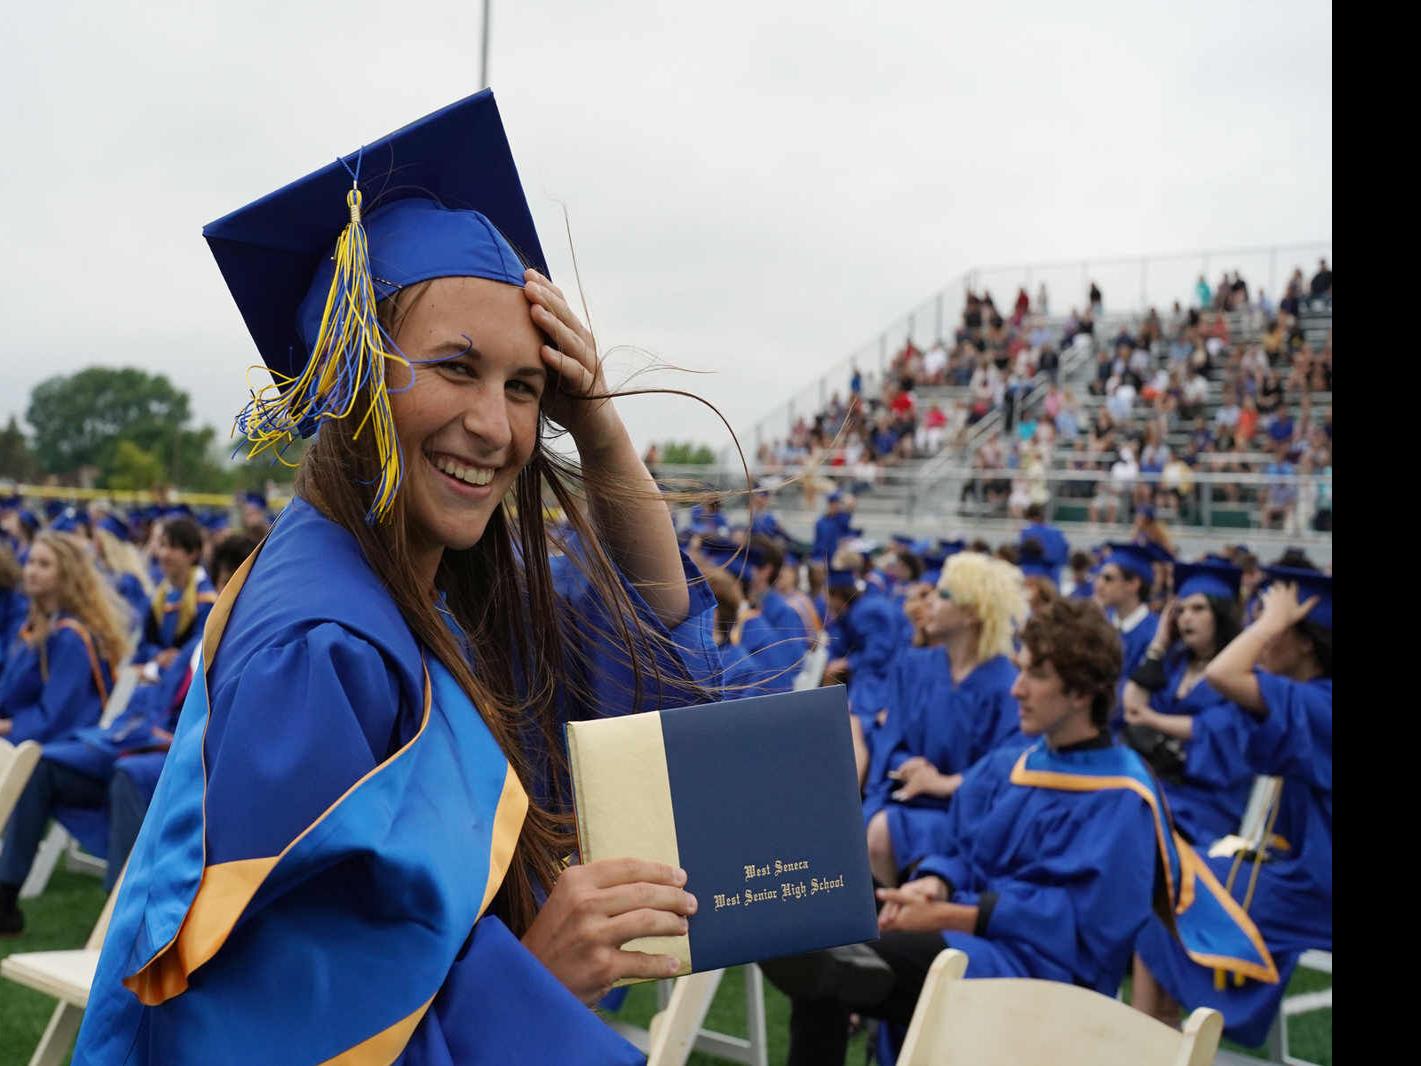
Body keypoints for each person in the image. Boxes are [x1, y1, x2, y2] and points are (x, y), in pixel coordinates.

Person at [75, 92, 721, 1065]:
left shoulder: (420, 598)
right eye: (454, 367)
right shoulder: (325, 648)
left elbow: (654, 663)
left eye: (522, 386)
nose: (496, 428)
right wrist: (532, 983)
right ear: (346, 374)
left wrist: (599, 427)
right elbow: (262, 1033)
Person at [762, 598, 1271, 1066]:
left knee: (838, 970)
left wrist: (955, 914)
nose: (1016, 688)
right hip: (970, 935)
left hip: (1041, 970)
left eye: (1036, 674)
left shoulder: (1122, 796)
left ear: (1082, 692)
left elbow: (1086, 929)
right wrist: (933, 882)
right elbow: (961, 848)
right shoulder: (1013, 764)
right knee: (829, 952)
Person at [0, 534, 263, 936]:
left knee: (129, 775)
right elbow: (153, 695)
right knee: (44, 765)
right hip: (132, 737)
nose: (225, 588)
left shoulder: (251, 648)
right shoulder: (200, 637)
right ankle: (5, 896)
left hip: (183, 754)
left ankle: (117, 917)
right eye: (221, 577)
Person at [1132, 569, 1331, 1047]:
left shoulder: (1321, 704)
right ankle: (1155, 1041)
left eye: (1271, 628)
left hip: (1316, 884)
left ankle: (1150, 1044)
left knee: (1170, 889)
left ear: (1306, 643)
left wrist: (1270, 620)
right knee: (1165, 885)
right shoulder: (1305, 699)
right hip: (1296, 868)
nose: (1258, 638)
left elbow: (1223, 674)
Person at [862, 553, 1028, 884]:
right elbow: (890, 739)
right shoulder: (913, 667)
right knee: (866, 828)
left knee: (883, 832)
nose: (930, 602)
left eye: (944, 595)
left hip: (968, 809)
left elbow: (1010, 764)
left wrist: (943, 784)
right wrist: (912, 766)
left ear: (972, 613)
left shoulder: (1007, 685)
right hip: (908, 793)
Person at [1119, 561, 1253, 846]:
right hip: (1159, 785)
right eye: (1180, 611)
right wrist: (1158, 645)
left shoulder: (1243, 675)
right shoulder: (1175, 664)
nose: (1185, 618)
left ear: (1221, 614)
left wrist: (1150, 719)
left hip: (1208, 800)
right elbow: (1131, 705)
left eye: (1198, 609)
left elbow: (1211, 728)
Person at [0, 532, 131, 746]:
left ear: (66, 575)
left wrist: (7, 726)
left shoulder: (71, 637)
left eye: (44, 565)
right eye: (30, 562)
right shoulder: (39, 625)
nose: (32, 571)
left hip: (46, 749)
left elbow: (54, 718)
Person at [132, 516, 216, 672]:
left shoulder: (206, 600)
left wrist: (178, 657)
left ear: (193, 553)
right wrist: (157, 655)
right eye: (163, 545)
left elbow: (202, 646)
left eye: (173, 547)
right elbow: (144, 644)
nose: (164, 554)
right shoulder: (159, 597)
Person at [1092, 542, 1160, 727]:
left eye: (1108, 579)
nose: (1099, 585)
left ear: (1133, 584)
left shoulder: (1156, 633)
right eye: (1098, 577)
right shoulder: (1100, 627)